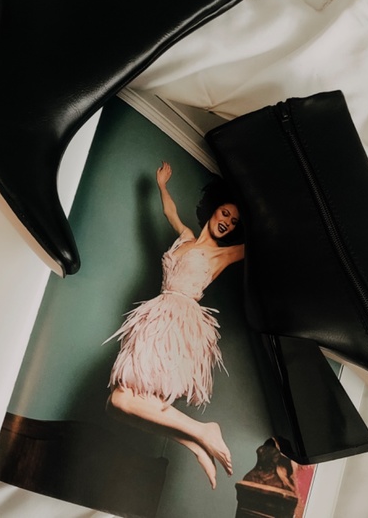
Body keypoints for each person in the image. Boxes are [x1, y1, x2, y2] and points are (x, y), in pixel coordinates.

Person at [105, 161, 244, 489]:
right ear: (213, 210)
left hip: (179, 324)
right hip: (155, 316)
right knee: (116, 406)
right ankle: (196, 441)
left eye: (234, 222)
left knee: (122, 400)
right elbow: (169, 212)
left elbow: (264, 241)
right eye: (225, 213)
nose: (227, 222)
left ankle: (203, 432)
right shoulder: (186, 237)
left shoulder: (222, 255)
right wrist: (161, 186)